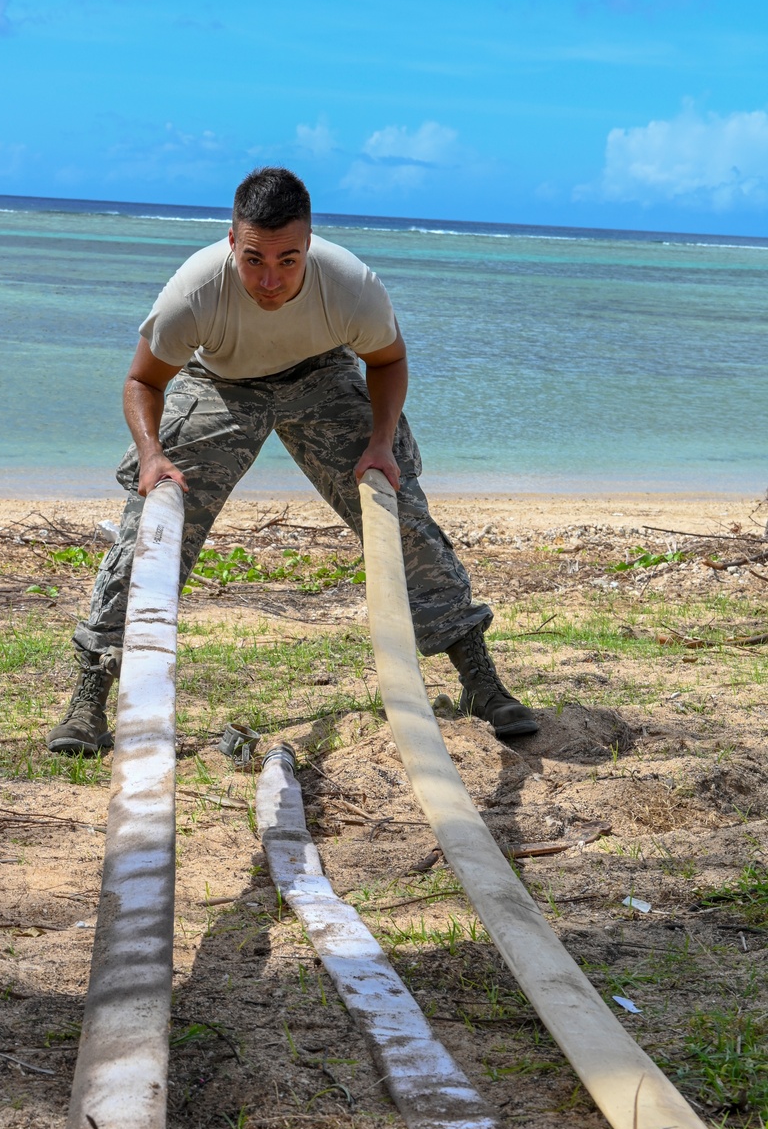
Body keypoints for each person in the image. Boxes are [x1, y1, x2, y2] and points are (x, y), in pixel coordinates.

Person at [47, 167, 537, 756]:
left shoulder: (351, 285)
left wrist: (381, 442)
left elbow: (388, 360)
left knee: (399, 510)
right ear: (232, 242)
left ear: (309, 244)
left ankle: (479, 678)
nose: (271, 279)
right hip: (219, 383)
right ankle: (90, 698)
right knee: (152, 525)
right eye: (254, 259)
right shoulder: (195, 289)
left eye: (288, 260)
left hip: (321, 376)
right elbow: (141, 381)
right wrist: (152, 456)